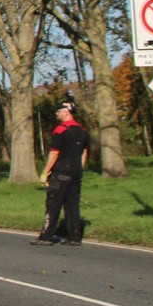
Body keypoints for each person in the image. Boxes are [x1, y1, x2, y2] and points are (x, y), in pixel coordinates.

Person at [34, 99, 89, 245]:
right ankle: (74, 237)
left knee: (53, 204)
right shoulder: (83, 131)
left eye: (58, 112)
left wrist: (46, 172)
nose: (57, 114)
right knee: (72, 205)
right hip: (76, 172)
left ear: (65, 112)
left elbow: (54, 153)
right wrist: (79, 167)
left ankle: (46, 236)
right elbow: (84, 152)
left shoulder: (60, 130)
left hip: (61, 172)